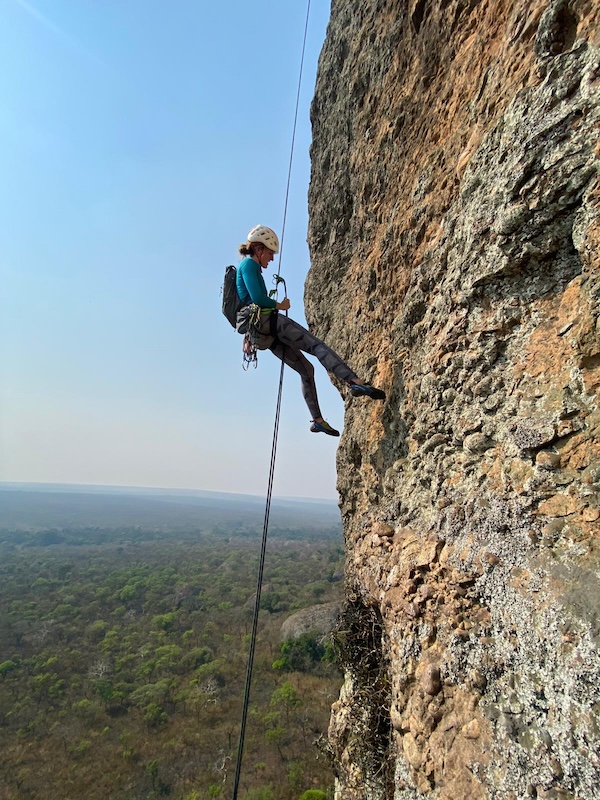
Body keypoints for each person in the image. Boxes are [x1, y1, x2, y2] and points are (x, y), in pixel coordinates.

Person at [235, 225, 385, 437]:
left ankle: (317, 420)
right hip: (268, 321)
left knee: (306, 370)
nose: (271, 259)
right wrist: (281, 305)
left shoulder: (246, 266)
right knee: (315, 345)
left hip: (261, 333)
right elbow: (258, 300)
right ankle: (354, 382)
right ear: (259, 250)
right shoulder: (249, 264)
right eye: (269, 253)